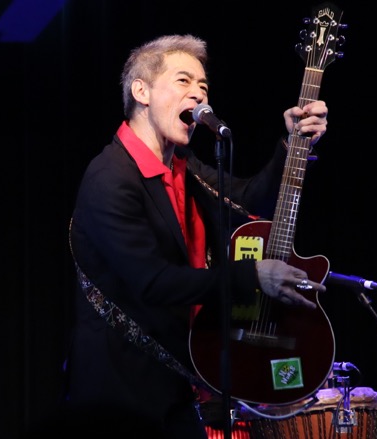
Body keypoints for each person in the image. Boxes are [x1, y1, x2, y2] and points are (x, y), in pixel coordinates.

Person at [64, 34, 329, 438]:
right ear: (141, 92)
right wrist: (253, 276)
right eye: (184, 81)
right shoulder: (110, 178)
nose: (199, 94)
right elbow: (153, 282)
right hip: (119, 395)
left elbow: (249, 202)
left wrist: (291, 145)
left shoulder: (182, 166)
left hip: (174, 388)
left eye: (203, 85)